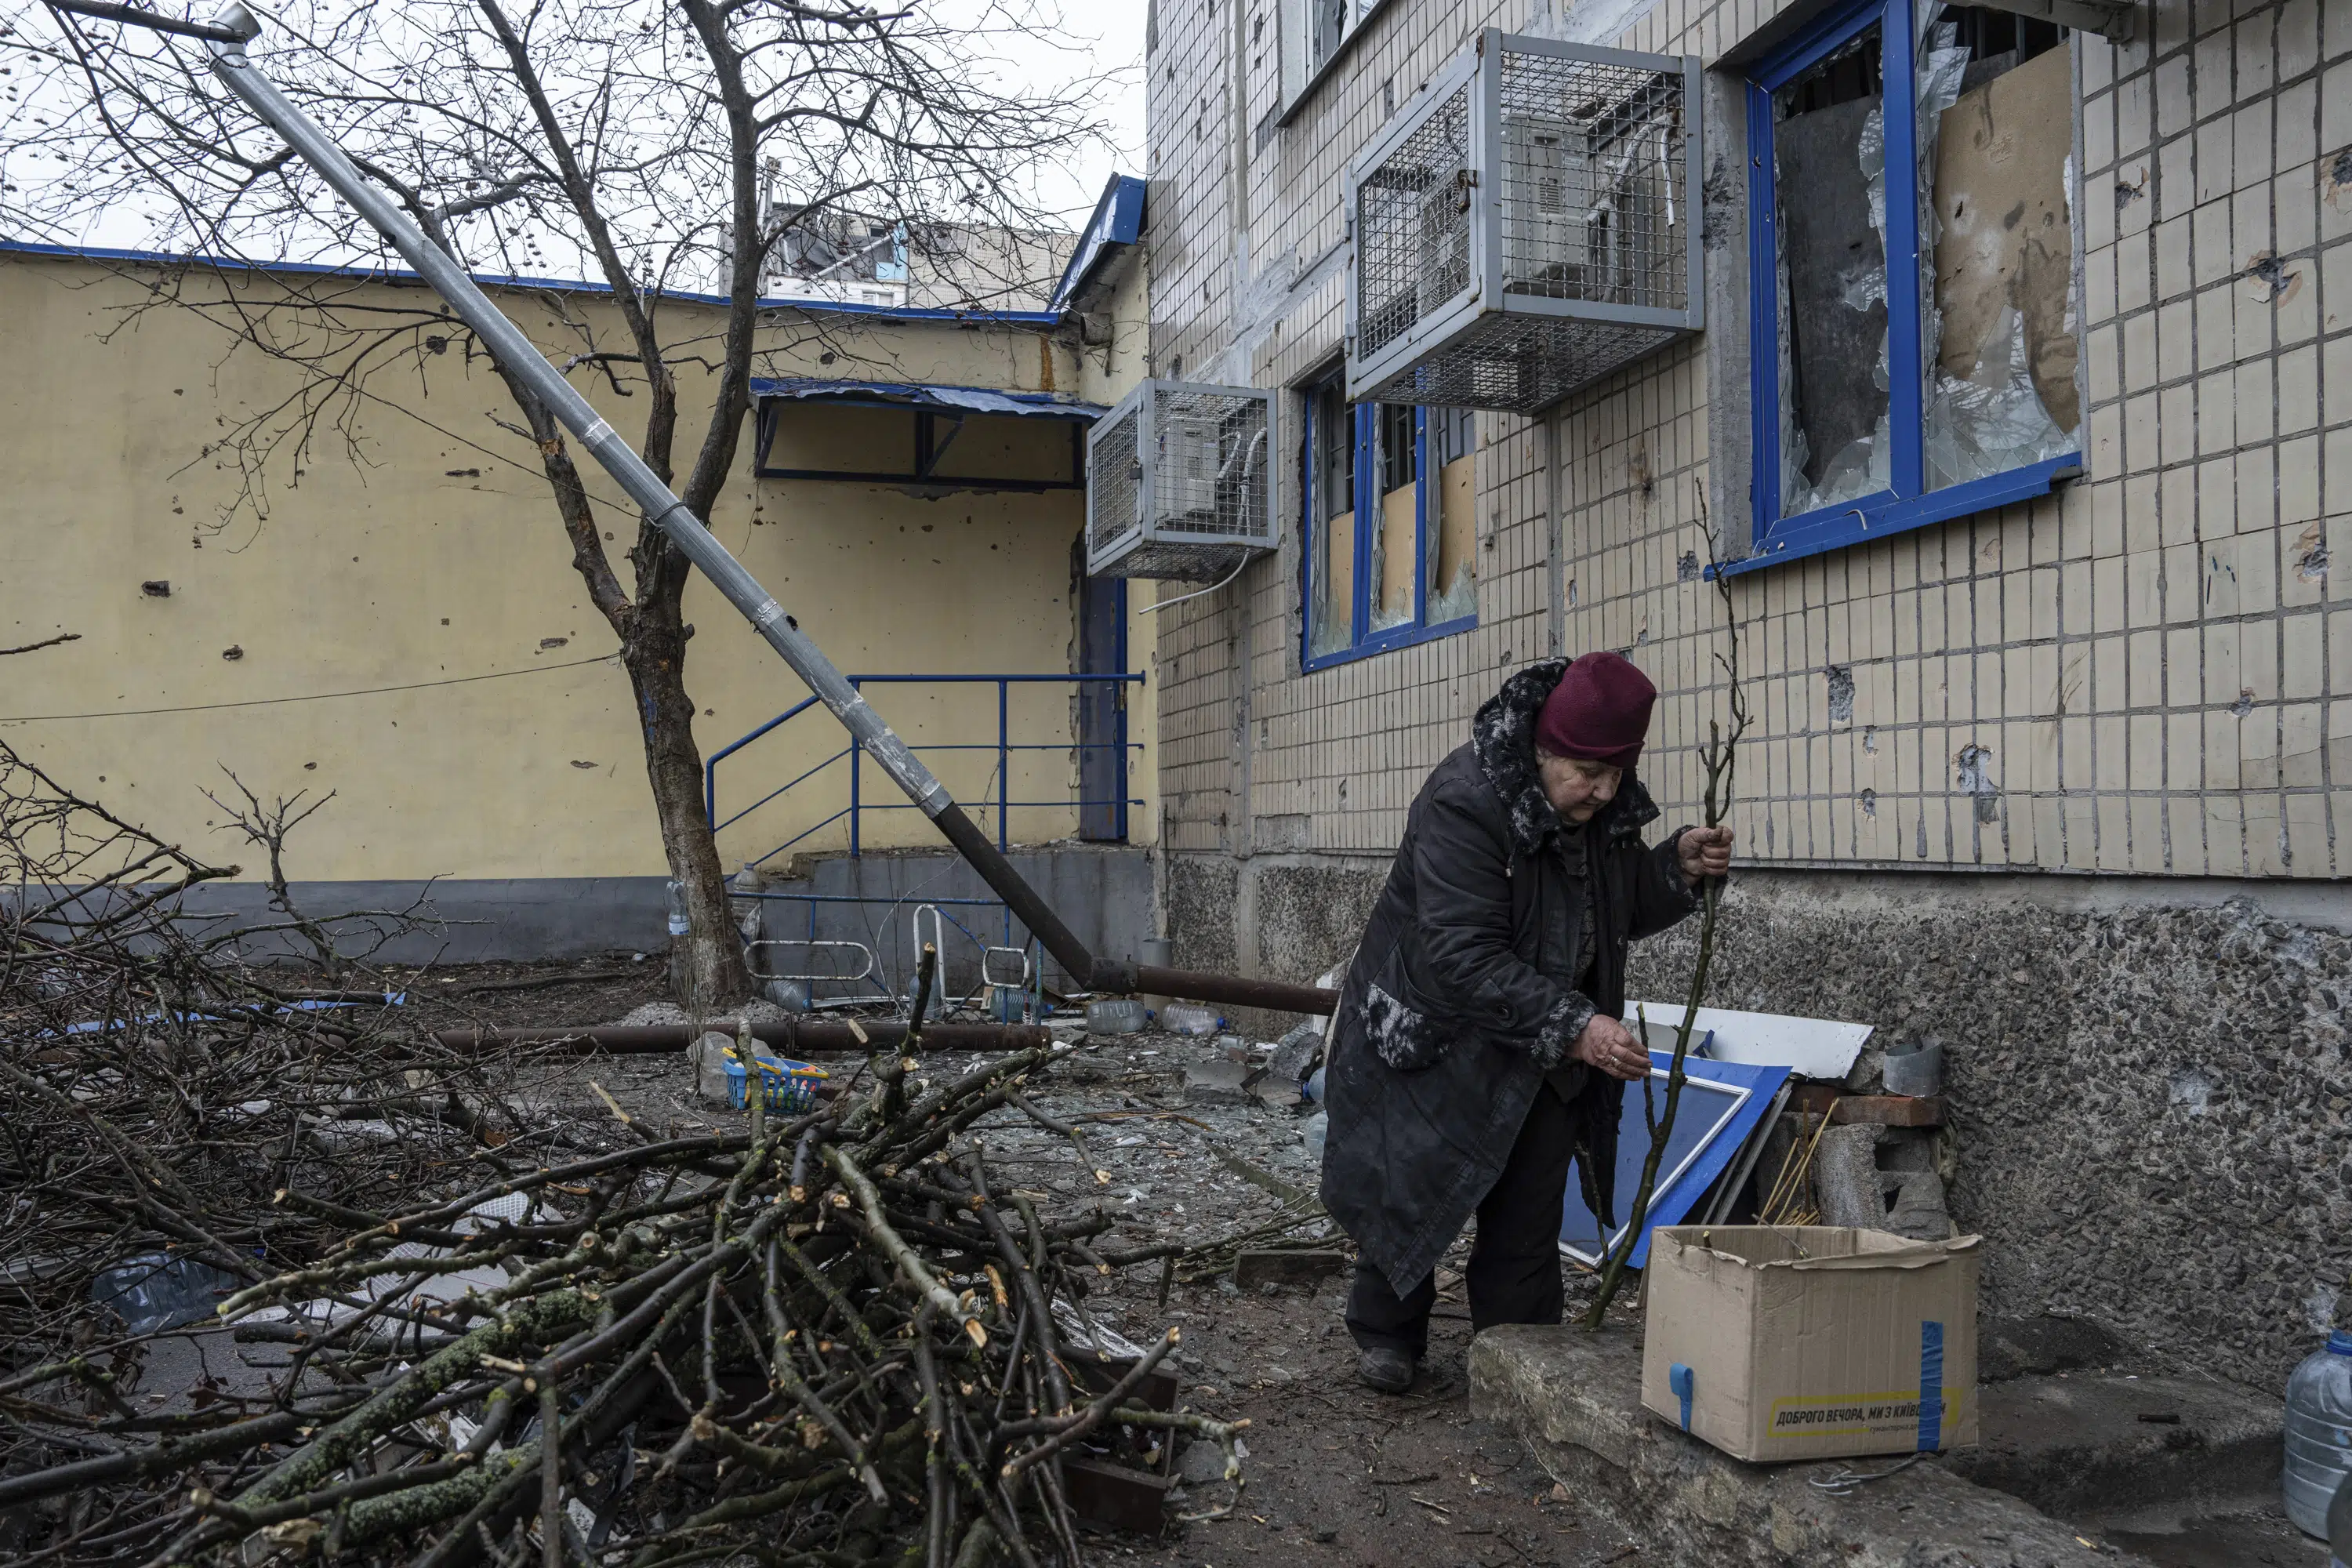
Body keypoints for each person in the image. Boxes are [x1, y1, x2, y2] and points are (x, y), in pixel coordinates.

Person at [1318, 653, 1734, 1393]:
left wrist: (1674, 870)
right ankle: (1387, 1334)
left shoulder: (1596, 808)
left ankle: (1518, 1362)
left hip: (1542, 1041)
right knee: (1408, 1184)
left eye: (1614, 776)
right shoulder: (1465, 799)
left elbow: (1613, 906)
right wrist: (1579, 1027)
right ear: (1544, 747)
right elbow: (1460, 951)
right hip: (1438, 1036)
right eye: (1586, 773)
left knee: (1528, 1213)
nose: (1603, 793)